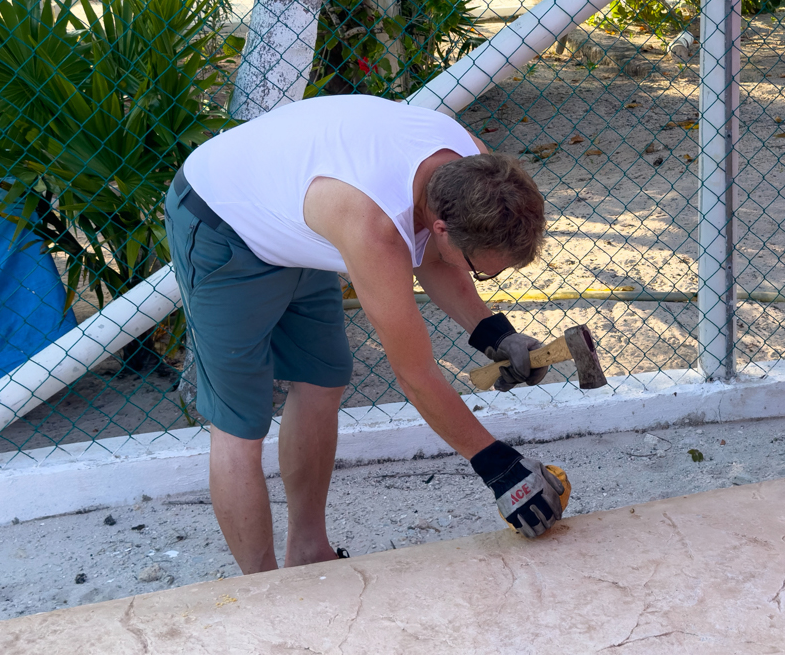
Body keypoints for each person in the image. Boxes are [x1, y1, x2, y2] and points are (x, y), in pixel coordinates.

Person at [164, 94, 568, 574]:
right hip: (222, 220)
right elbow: (415, 374)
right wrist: (501, 469)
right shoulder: (371, 227)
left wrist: (494, 333)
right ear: (442, 226)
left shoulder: (472, 165)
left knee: (323, 378)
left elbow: (439, 255)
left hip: (295, 217)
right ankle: (265, 593)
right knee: (239, 425)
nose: (483, 278)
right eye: (485, 272)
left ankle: (308, 553)